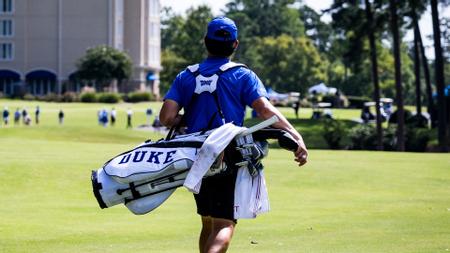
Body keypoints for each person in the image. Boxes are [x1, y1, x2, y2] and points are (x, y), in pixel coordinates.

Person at [159, 17, 308, 253]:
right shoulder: (242, 75)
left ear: (205, 42)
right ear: (235, 44)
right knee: (224, 223)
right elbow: (264, 110)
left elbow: (166, 117)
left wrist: (189, 117)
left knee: (207, 220)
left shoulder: (186, 76)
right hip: (226, 154)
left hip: (195, 156)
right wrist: (294, 133)